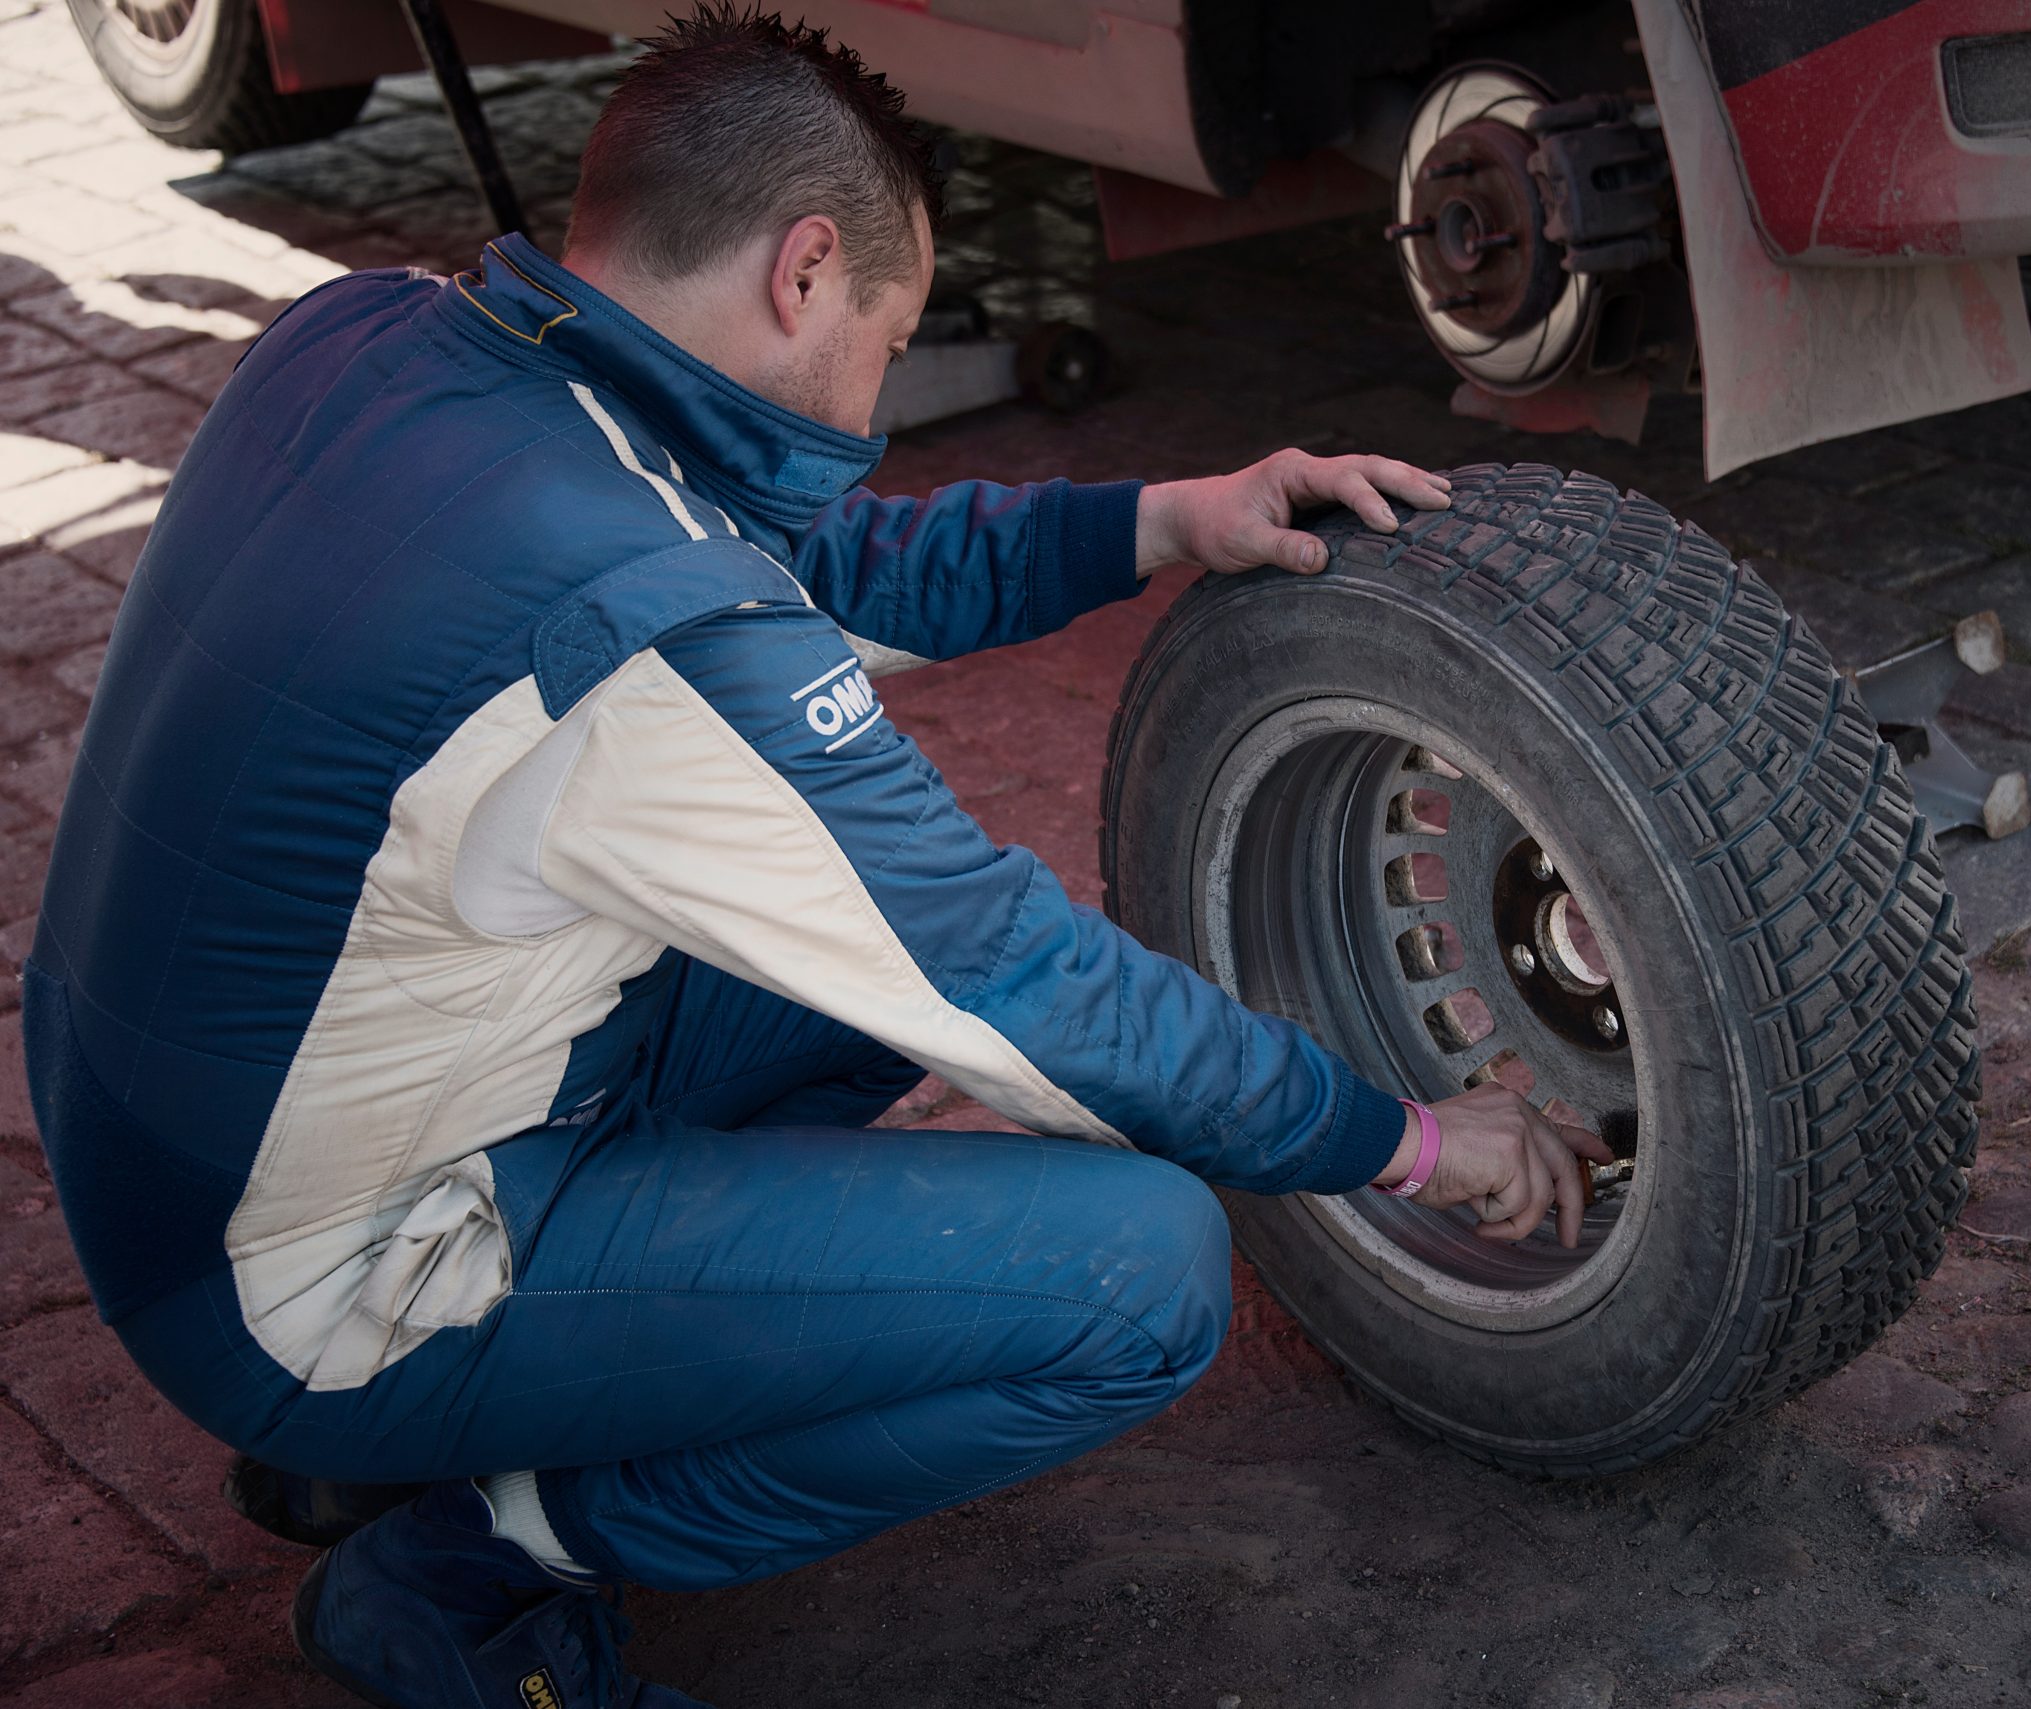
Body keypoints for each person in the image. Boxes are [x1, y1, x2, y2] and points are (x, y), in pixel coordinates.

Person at [22, 6, 1611, 1705]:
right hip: (310, 1285)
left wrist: (1161, 519)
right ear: (803, 273)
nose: (875, 392)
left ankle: (441, 1416)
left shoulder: (374, 337)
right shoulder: (637, 628)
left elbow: (801, 569)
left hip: (176, 1143)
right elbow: (1021, 983)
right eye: (890, 334)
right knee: (1134, 1271)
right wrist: (1408, 1139)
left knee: (853, 974)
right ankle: (472, 1560)